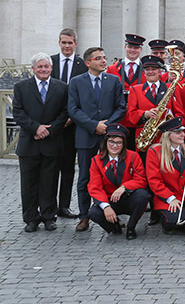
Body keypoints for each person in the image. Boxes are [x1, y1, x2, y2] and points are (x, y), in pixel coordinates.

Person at [68, 46, 126, 232]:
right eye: (98, 58)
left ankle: (112, 215)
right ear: (88, 63)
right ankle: (84, 216)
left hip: (108, 137)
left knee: (111, 176)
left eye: (104, 57)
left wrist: (107, 126)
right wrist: (94, 125)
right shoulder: (76, 82)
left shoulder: (114, 80)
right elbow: (73, 109)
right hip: (85, 136)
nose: (103, 61)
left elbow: (121, 106)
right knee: (85, 177)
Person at [13, 52, 70, 232]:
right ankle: (30, 218)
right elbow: (18, 112)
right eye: (40, 67)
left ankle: (48, 216)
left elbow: (65, 112)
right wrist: (36, 128)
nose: (43, 69)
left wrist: (49, 130)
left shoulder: (62, 87)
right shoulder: (21, 87)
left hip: (52, 142)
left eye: (46, 66)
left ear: (51, 68)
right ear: (33, 69)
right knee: (28, 184)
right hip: (29, 142)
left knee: (50, 182)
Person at [146, 116, 185, 236]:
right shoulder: (154, 152)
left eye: (182, 131)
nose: (183, 134)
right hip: (169, 196)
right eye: (178, 133)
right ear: (168, 135)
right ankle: (165, 219)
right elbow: (154, 181)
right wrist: (170, 198)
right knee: (174, 221)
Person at [87, 124, 149, 239]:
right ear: (106, 142)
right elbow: (95, 187)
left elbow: (141, 179)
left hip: (128, 197)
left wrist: (124, 187)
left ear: (124, 144)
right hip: (110, 200)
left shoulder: (133, 156)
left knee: (142, 196)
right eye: (111, 142)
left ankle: (131, 227)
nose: (114, 146)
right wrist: (105, 206)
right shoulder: (96, 161)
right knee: (94, 213)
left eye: (119, 143)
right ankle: (114, 227)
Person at [50, 28, 86, 219]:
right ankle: (48, 206)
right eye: (63, 42)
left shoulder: (82, 65)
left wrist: (71, 117)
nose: (66, 46)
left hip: (73, 125)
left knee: (68, 168)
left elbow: (84, 96)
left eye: (70, 43)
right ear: (59, 43)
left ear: (75, 44)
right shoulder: (50, 62)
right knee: (50, 167)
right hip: (52, 125)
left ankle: (64, 205)